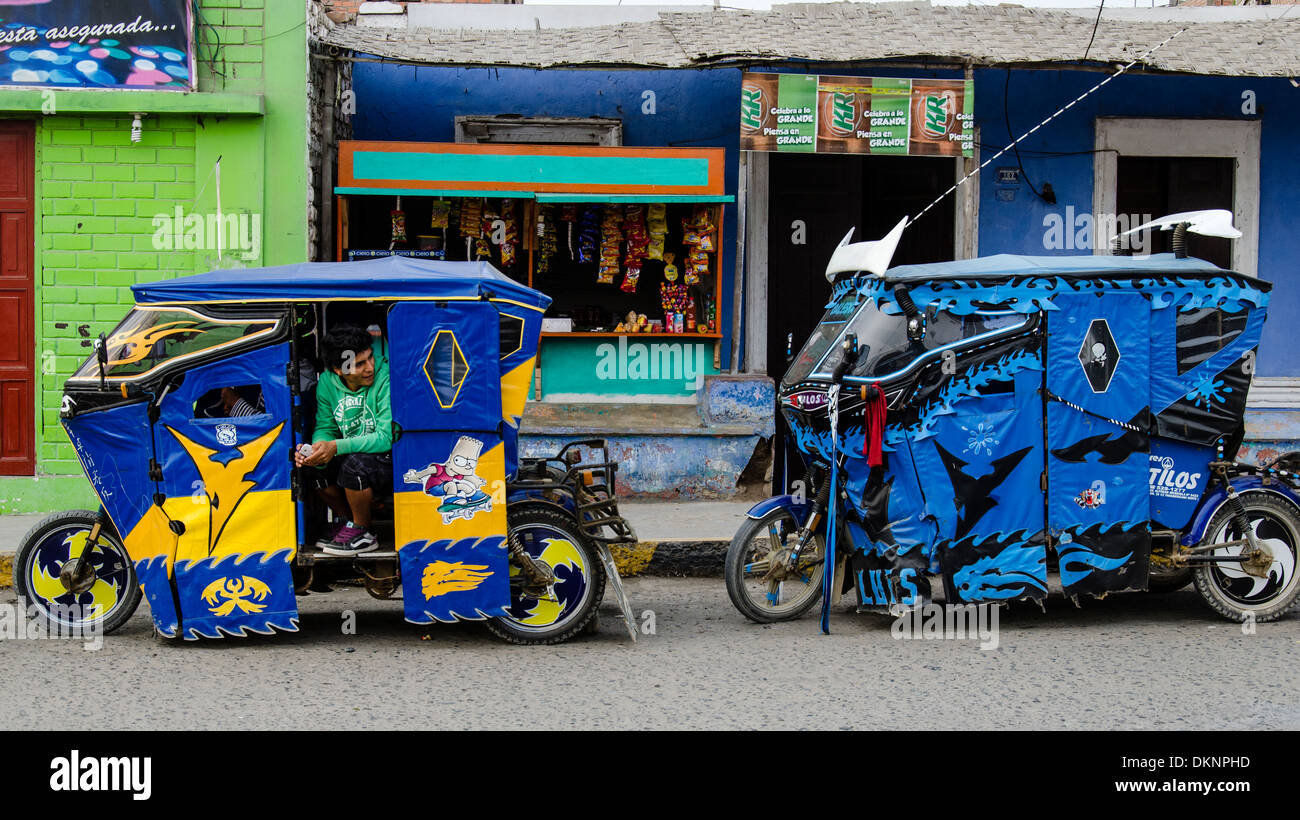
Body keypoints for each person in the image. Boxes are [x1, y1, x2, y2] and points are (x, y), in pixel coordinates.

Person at [295, 325, 392, 555]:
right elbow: (325, 426)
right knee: (312, 467)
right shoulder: (327, 383)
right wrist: (319, 448)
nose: (370, 368)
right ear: (338, 369)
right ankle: (345, 520)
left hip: (387, 458)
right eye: (359, 364)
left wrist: (336, 447)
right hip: (353, 452)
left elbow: (386, 437)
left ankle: (362, 530)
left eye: (370, 358)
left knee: (354, 466)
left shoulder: (385, 377)